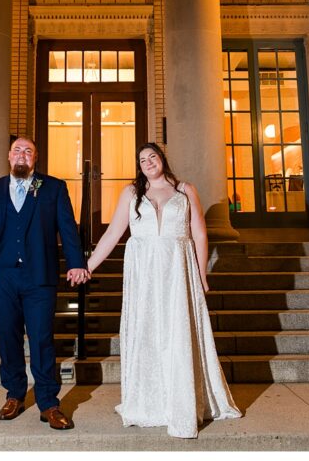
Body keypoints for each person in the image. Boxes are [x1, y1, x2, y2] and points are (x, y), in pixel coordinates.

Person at [86, 142, 241, 439]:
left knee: (177, 333)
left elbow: (199, 233)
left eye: (152, 157)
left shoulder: (185, 190)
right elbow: (113, 233)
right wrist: (88, 266)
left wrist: (202, 273)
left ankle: (180, 402)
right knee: (148, 332)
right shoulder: (132, 194)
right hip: (144, 275)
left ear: (162, 159)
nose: (148, 162)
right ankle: (149, 403)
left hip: (177, 271)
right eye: (142, 159)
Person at [0, 136, 90, 430]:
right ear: (9, 157)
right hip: (1, 277)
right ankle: (14, 395)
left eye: (28, 151)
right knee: (8, 339)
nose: (22, 155)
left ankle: (48, 402)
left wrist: (76, 263)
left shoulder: (51, 187)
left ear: (35, 158)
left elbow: (67, 228)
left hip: (39, 277)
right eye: (17, 150)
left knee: (41, 339)